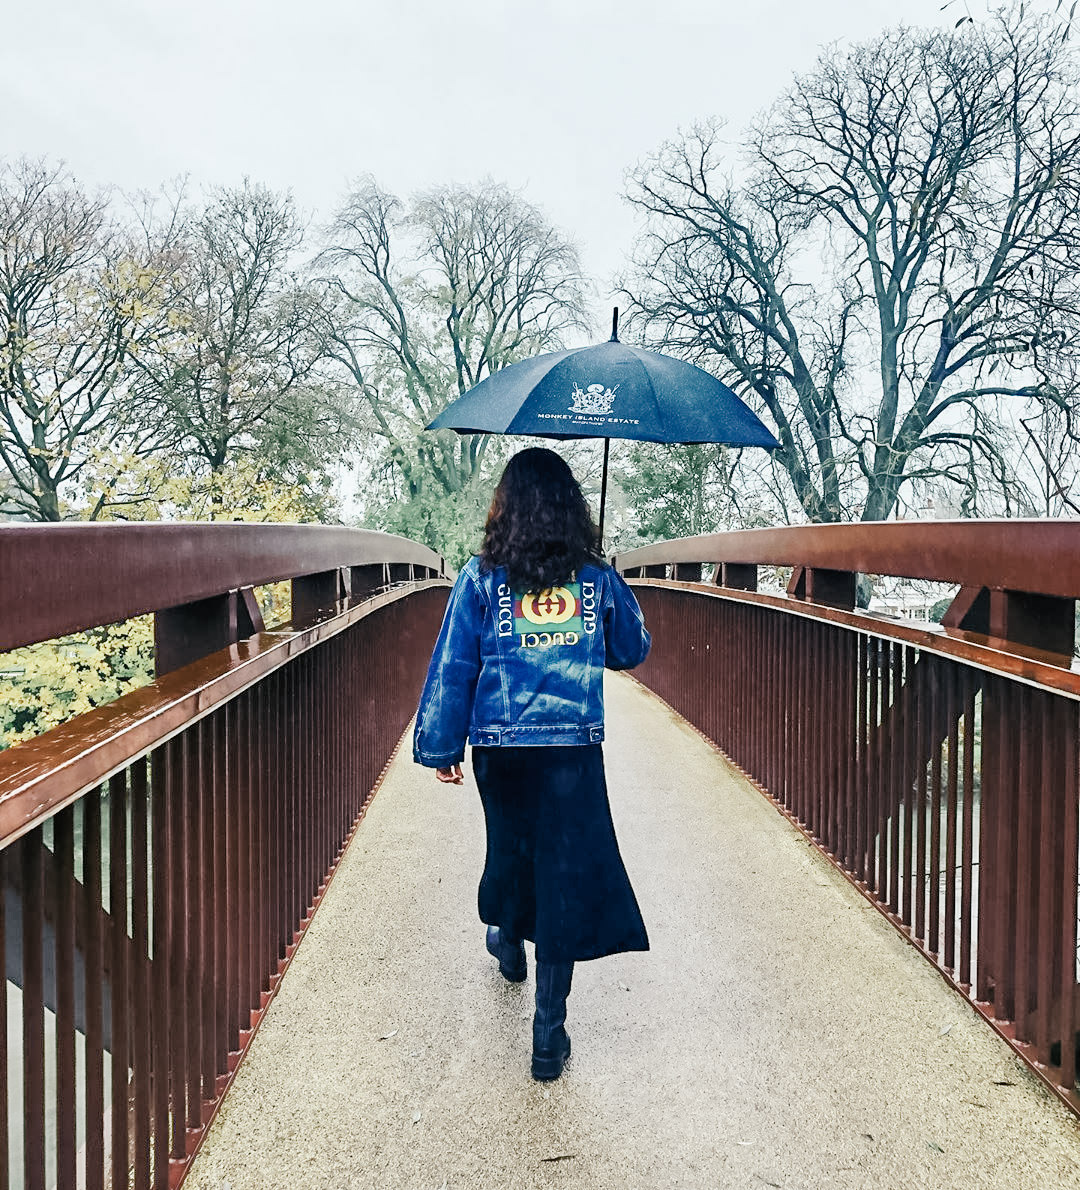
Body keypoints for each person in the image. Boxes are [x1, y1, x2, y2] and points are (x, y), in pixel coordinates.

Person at [413, 446, 651, 1081]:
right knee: (563, 874)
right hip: (572, 749)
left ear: (505, 508)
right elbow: (632, 651)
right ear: (572, 508)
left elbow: (455, 663)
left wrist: (442, 745)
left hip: (502, 747)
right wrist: (607, 586)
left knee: (515, 850)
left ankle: (509, 945)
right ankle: (548, 1033)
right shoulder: (594, 577)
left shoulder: (481, 577)